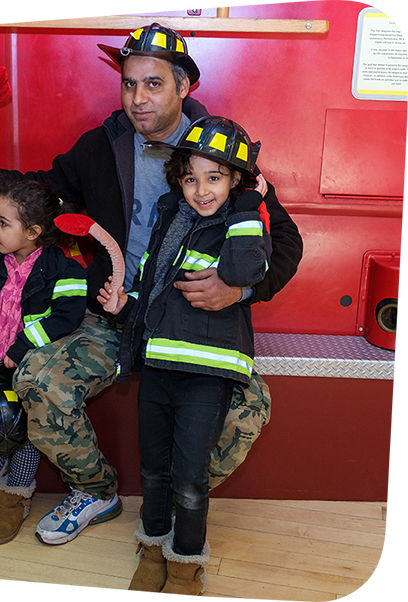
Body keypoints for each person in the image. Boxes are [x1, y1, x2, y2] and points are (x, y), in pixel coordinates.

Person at [0, 23, 303, 546]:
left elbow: (286, 242)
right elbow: (47, 192)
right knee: (36, 381)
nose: (138, 98)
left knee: (252, 408)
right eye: (129, 84)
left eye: (153, 84)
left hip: (195, 324)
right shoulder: (103, 143)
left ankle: (183, 496)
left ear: (184, 87)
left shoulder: (222, 150)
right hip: (114, 315)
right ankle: (94, 490)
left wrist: (238, 290)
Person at [98, 116, 270, 599]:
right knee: (153, 471)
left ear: (235, 179)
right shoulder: (173, 221)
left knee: (191, 480)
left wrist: (249, 202)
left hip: (206, 377)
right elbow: (158, 294)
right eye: (191, 178)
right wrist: (123, 305)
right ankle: (152, 551)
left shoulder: (243, 224)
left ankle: (184, 569)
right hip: (158, 368)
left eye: (215, 178)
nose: (201, 190)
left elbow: (241, 271)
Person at [0, 178, 87, 545]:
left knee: (21, 435)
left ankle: (14, 499)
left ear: (34, 233)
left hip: (25, 371)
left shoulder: (64, 271)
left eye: (4, 223)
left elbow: (65, 318)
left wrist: (23, 346)